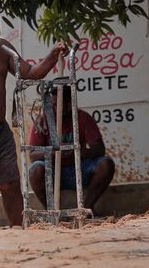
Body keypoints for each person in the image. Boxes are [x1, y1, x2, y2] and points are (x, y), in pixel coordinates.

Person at [0, 0, 69, 226]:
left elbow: (31, 73)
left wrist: (53, 54)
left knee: (11, 184)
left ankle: (19, 230)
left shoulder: (3, 47)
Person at [28, 82, 115, 210]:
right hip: (53, 172)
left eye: (58, 105)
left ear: (69, 104)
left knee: (106, 164)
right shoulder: (42, 120)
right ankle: (51, 211)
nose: (54, 108)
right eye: (52, 104)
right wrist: (54, 152)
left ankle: (86, 209)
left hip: (79, 169)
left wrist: (78, 151)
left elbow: (99, 149)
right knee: (35, 170)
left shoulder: (82, 117)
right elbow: (33, 156)